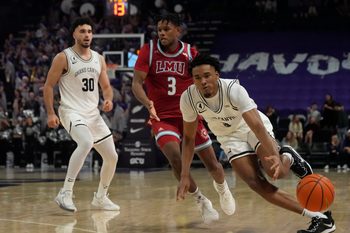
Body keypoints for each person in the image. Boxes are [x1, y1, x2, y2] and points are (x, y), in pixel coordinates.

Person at [177, 54, 336, 233]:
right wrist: (184, 174)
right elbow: (189, 139)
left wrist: (275, 156)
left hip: (251, 128)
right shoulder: (188, 98)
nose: (203, 81)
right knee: (256, 184)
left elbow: (257, 126)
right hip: (229, 138)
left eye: (207, 75)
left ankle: (287, 157)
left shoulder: (233, 90)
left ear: (217, 75)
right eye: (197, 78)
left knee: (275, 172)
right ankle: (320, 218)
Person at [132, 13, 235, 223]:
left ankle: (223, 190)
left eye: (167, 29)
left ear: (178, 30)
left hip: (189, 114)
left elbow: (202, 80)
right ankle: (201, 200)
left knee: (214, 165)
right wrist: (148, 103)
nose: (161, 33)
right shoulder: (149, 50)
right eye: (159, 30)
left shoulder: (190, 53)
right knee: (176, 159)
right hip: (161, 117)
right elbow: (136, 83)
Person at [43, 17, 119, 212]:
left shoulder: (98, 58)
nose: (87, 34)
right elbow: (48, 86)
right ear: (74, 34)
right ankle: (65, 192)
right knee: (85, 142)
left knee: (112, 157)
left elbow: (106, 87)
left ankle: (100, 198)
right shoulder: (63, 57)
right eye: (82, 31)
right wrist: (51, 113)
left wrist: (108, 99)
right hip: (71, 111)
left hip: (93, 114)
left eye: (89, 31)